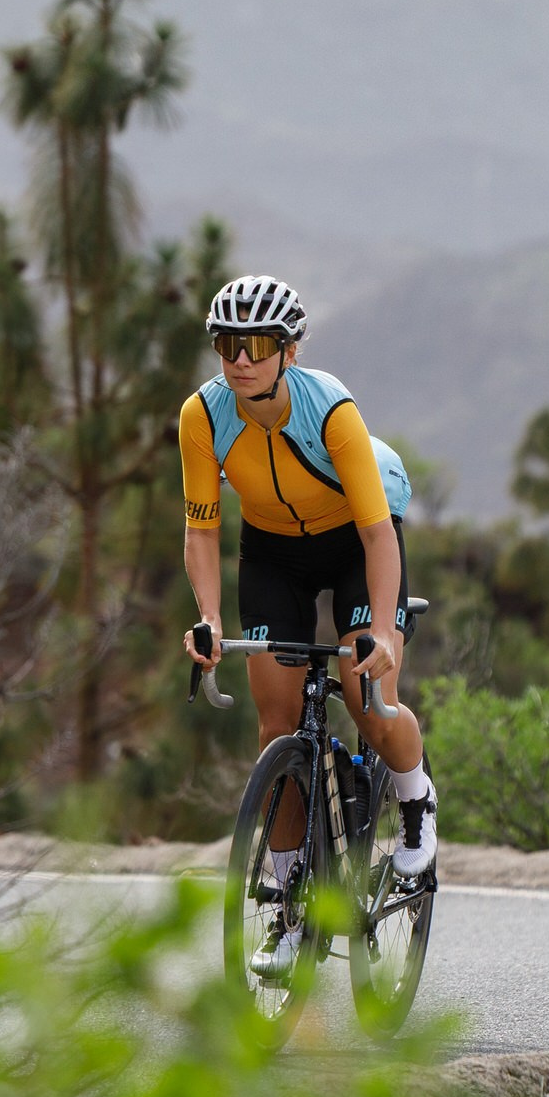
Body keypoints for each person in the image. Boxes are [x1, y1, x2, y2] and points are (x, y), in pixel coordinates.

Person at [177, 274, 435, 980]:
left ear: (289, 352)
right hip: (272, 554)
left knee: (369, 701)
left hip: (355, 540)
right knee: (276, 727)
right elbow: (202, 530)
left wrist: (382, 632)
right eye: (228, 344)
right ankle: (291, 903)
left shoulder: (331, 410)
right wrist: (208, 619)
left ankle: (415, 799)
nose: (240, 360)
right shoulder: (202, 416)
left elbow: (378, 536)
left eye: (259, 344)